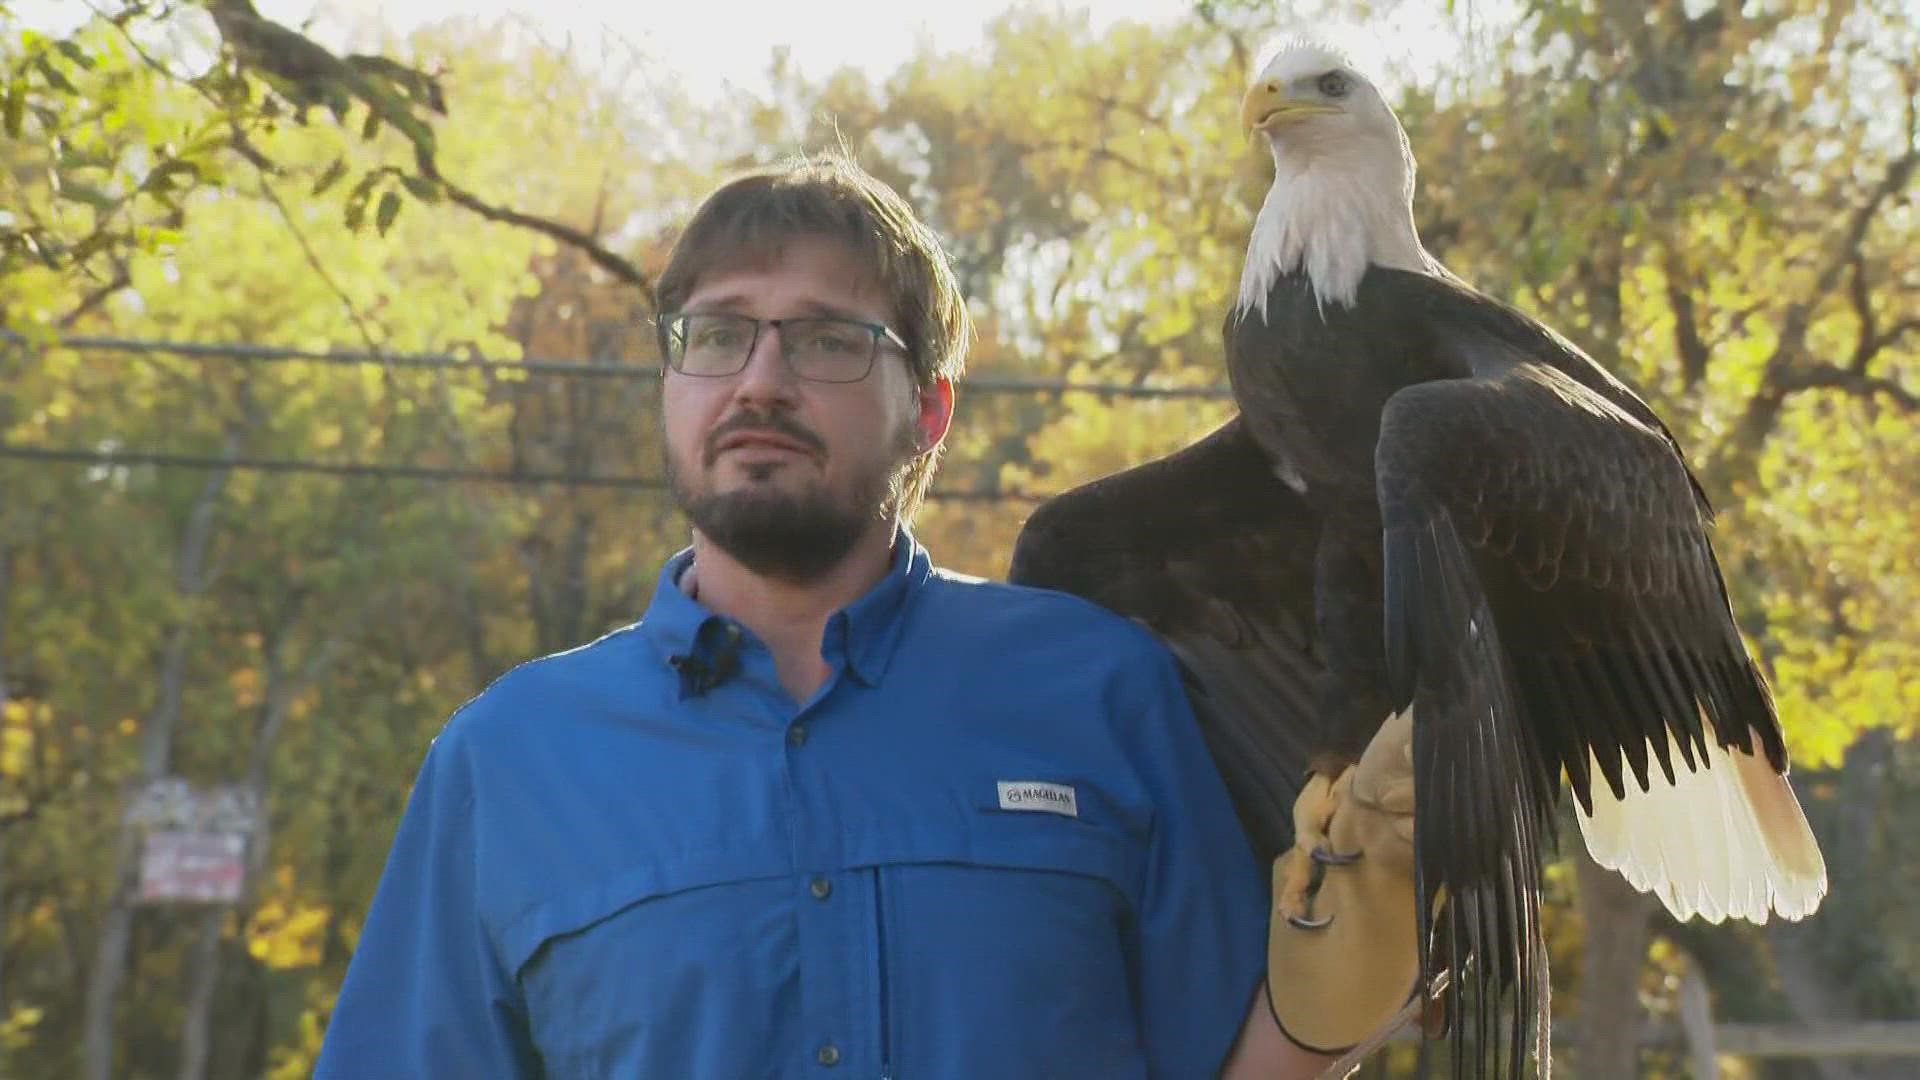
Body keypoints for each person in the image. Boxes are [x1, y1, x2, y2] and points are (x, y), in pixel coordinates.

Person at [314, 153, 1399, 1078]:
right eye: (717, 334)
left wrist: (1352, 977)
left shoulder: (1101, 690)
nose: (762, 382)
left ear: (929, 409)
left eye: (829, 340)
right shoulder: (506, 764)